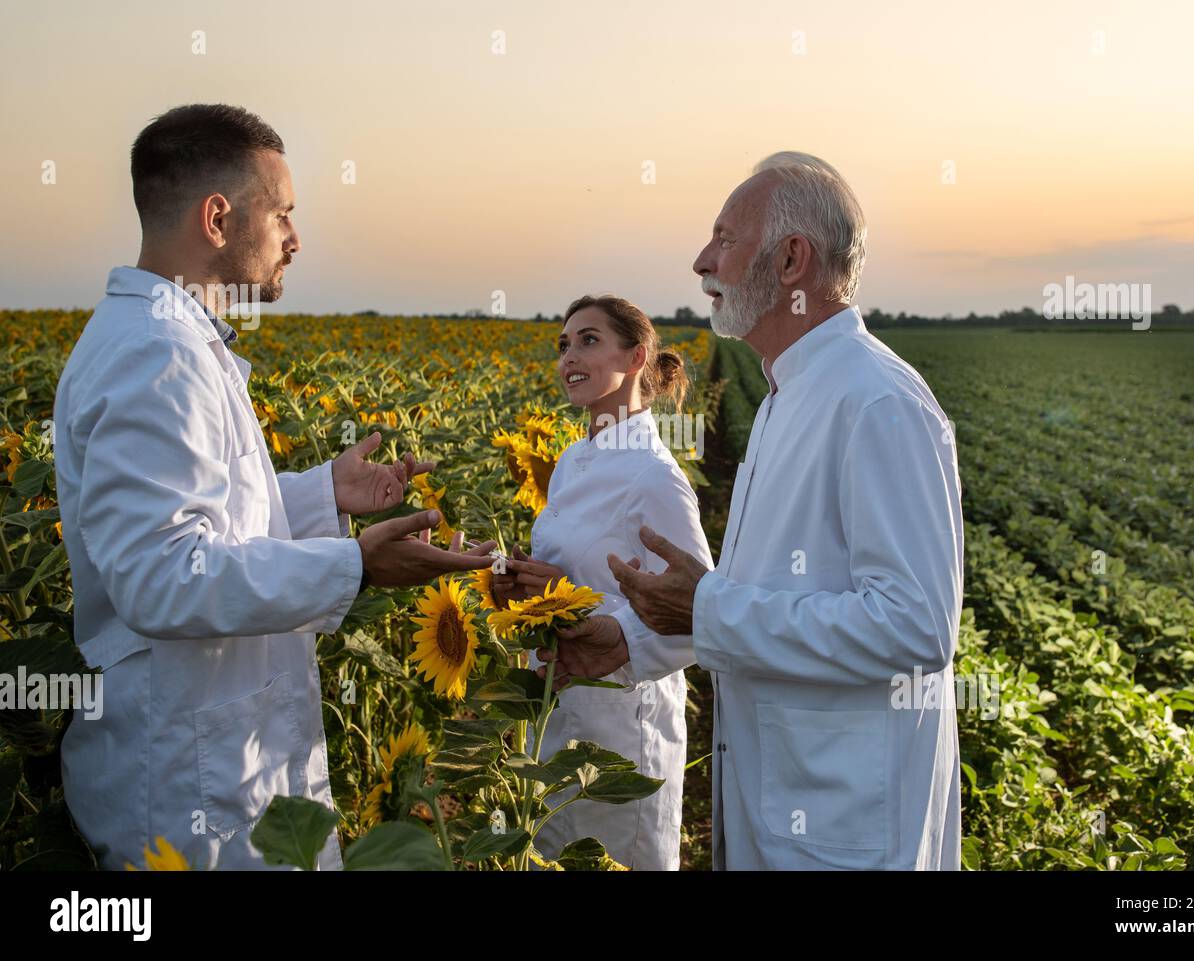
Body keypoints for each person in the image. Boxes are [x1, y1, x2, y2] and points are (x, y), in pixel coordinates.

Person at [53, 104, 496, 871]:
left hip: (210, 758)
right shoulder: (156, 352)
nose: (295, 239)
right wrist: (355, 563)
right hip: (191, 785)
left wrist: (322, 493)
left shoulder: (169, 337)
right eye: (283, 213)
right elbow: (160, 575)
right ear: (218, 218)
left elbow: (205, 522)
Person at [544, 152, 965, 870]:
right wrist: (630, 642)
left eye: (724, 239)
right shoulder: (786, 397)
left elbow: (915, 625)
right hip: (788, 805)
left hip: (847, 824)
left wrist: (705, 607)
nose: (703, 260)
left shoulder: (877, 402)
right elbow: (762, 601)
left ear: (792, 259)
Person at [492, 295, 713, 870]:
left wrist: (610, 631)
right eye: (564, 344)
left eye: (589, 340)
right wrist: (532, 591)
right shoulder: (571, 462)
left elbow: (699, 614)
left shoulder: (655, 477)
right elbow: (577, 584)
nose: (569, 355)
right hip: (558, 705)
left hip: (621, 725)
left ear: (636, 357)